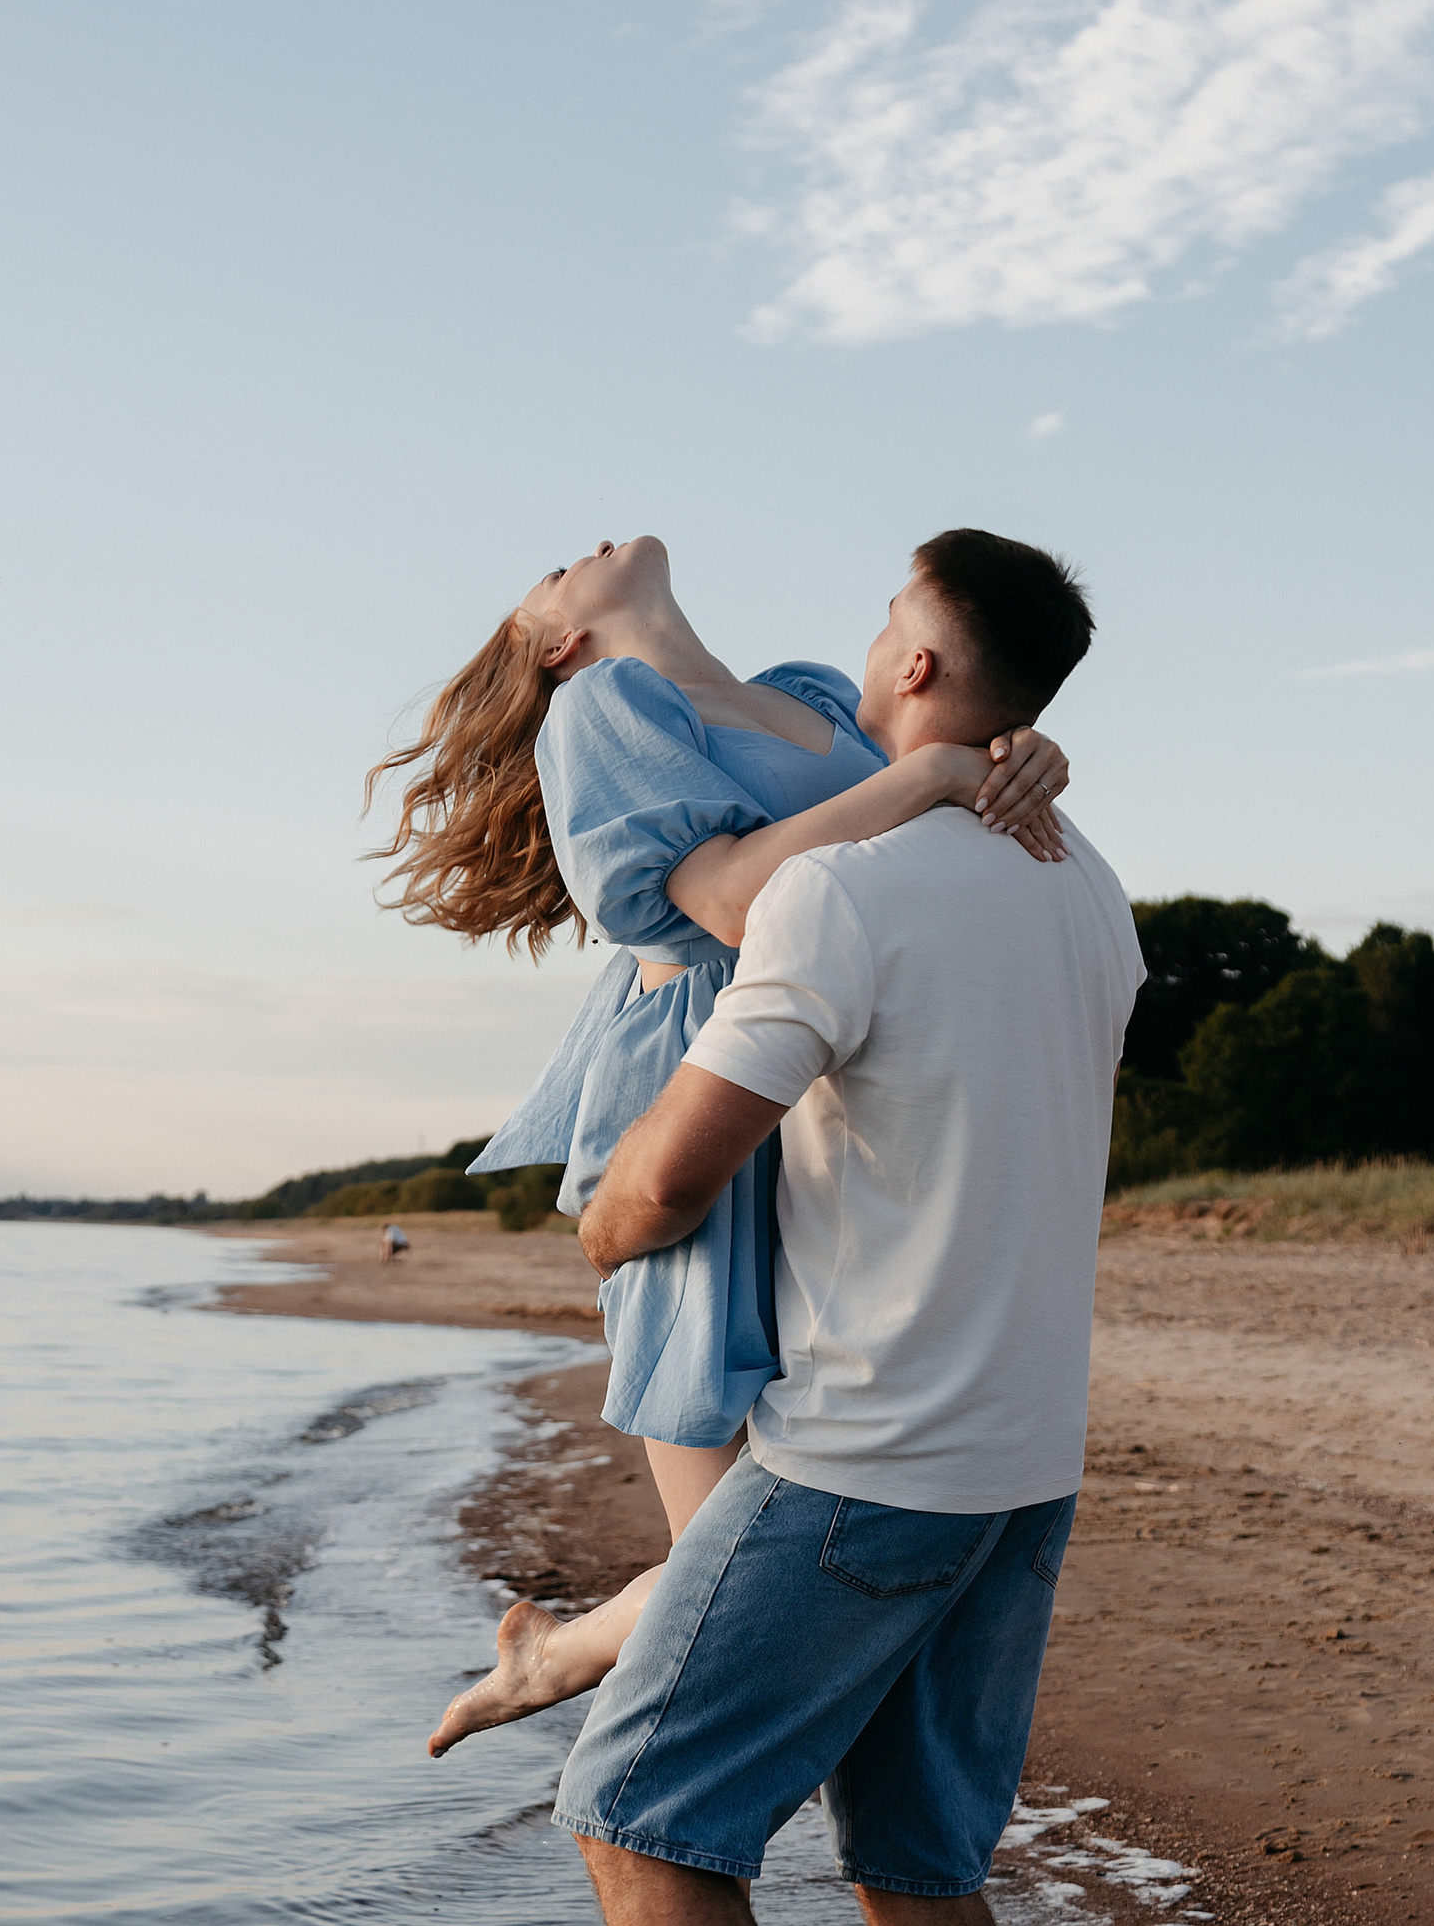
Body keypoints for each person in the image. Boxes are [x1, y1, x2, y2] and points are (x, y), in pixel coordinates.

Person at [552, 532, 1142, 1926]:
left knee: (636, 1817)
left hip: (867, 1455)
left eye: (888, 630)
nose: (868, 650)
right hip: (1020, 1461)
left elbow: (668, 1177)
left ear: (919, 676)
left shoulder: (845, 897)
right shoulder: (1090, 885)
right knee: (917, 1861)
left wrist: (604, 1222)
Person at [362, 537, 1070, 1747]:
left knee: (798, 1513)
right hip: (702, 1083)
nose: (566, 555)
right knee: (726, 1562)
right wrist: (939, 777)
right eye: (544, 581)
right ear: (559, 643)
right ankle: (566, 1671)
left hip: (835, 1086)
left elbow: (929, 773)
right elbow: (734, 903)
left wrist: (1018, 752)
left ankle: (567, 1654)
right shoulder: (603, 706)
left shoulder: (801, 694)